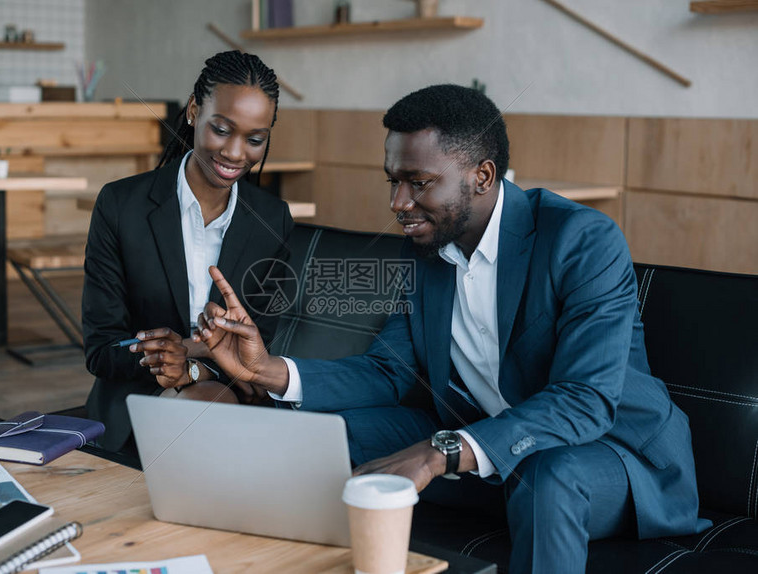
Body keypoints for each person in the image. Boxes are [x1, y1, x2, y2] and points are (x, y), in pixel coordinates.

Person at [192, 85, 709, 573]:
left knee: (549, 476)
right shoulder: (424, 251)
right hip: (480, 439)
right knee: (328, 438)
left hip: (612, 456)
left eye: (418, 183)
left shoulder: (581, 240)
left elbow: (584, 399)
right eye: (393, 181)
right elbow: (390, 371)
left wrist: (439, 452)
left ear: (481, 177)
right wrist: (266, 370)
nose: (398, 203)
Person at [82, 50, 294, 454]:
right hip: (134, 405)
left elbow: (262, 346)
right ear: (194, 111)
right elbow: (101, 348)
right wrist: (168, 360)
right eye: (221, 129)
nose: (235, 153)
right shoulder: (121, 205)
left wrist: (191, 360)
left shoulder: (273, 219)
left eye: (254, 139)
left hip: (230, 399)